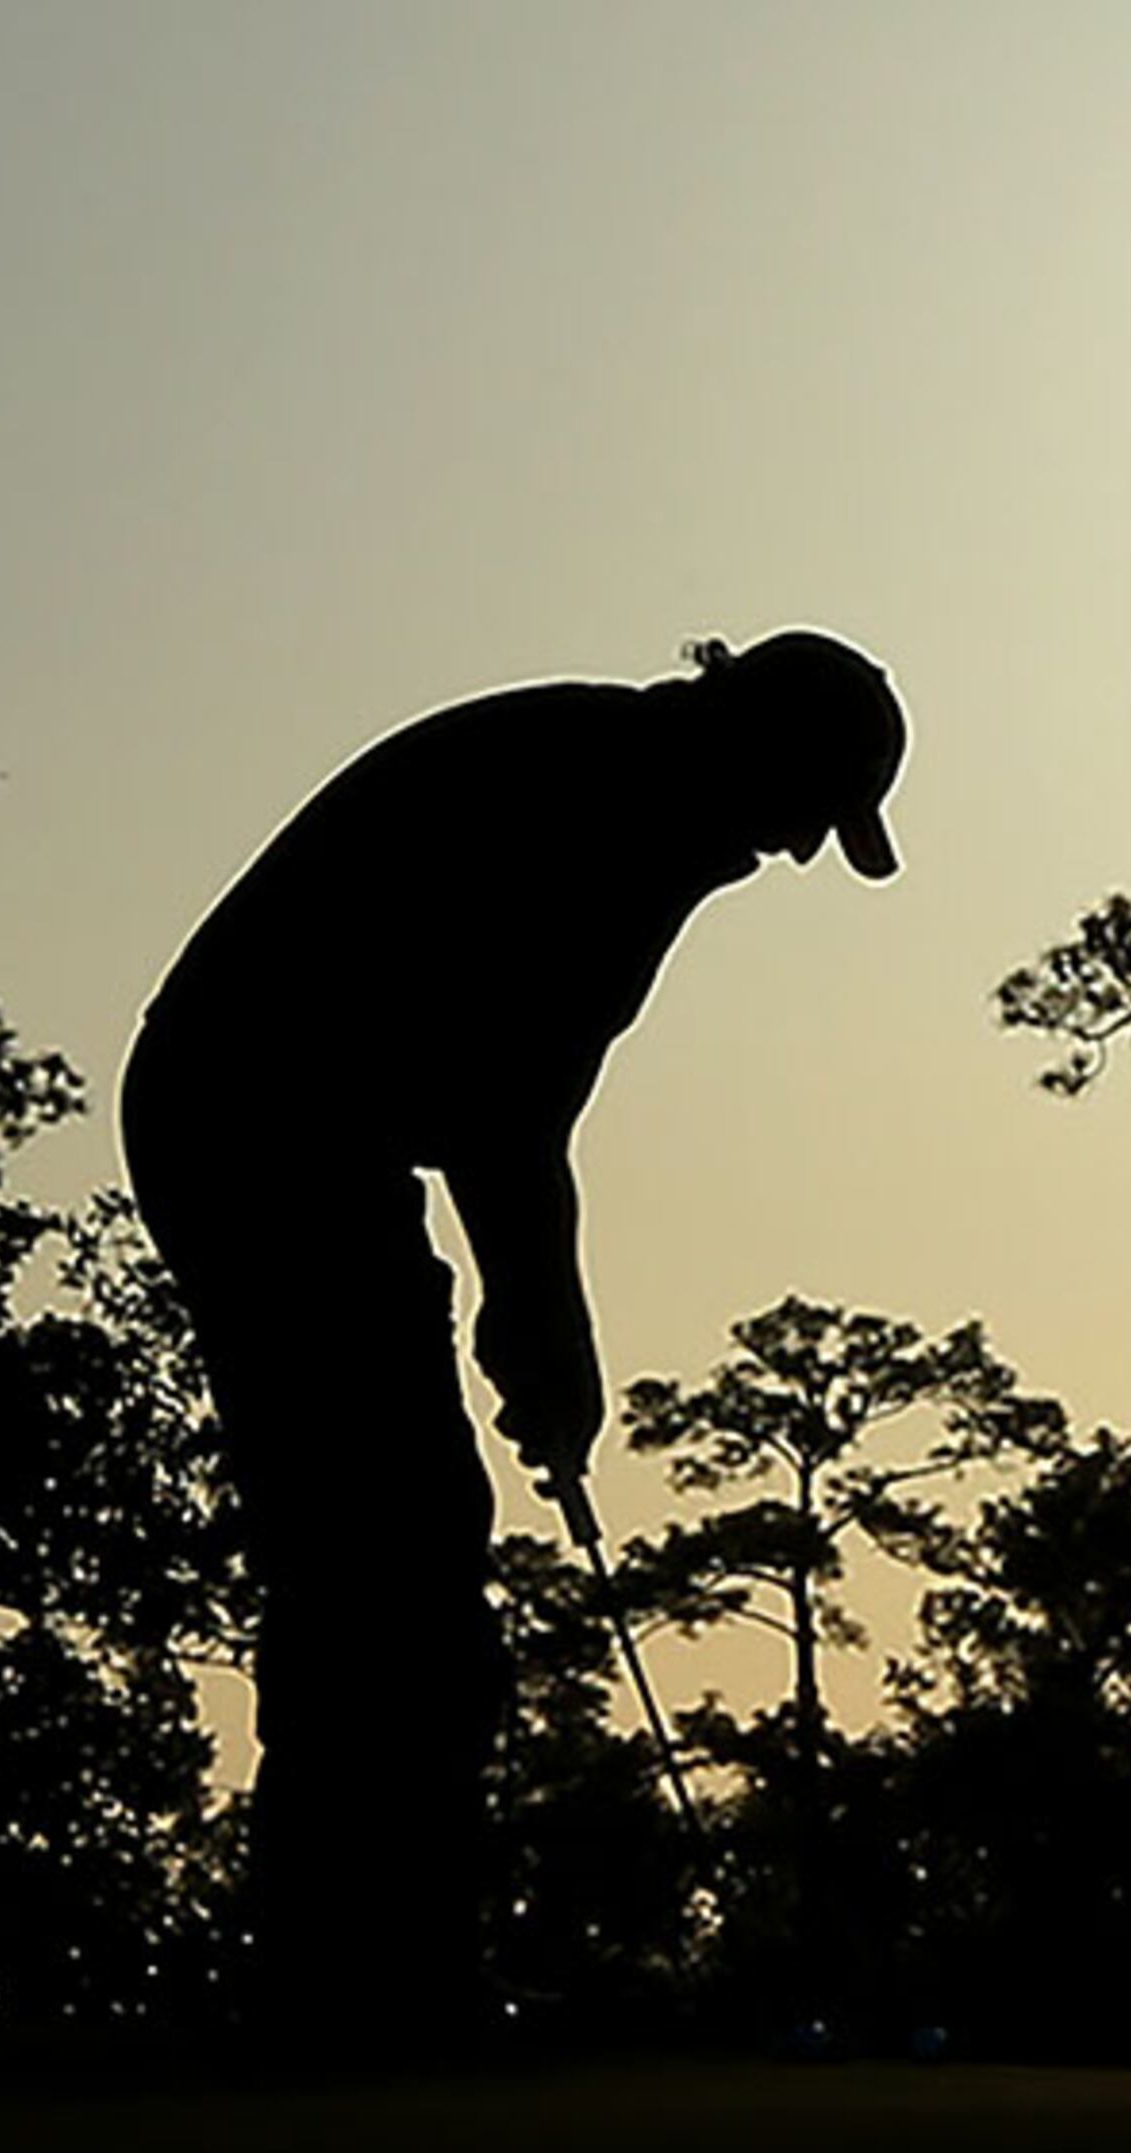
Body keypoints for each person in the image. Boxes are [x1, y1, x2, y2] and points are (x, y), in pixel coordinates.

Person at [120, 629, 905, 2049]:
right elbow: (502, 1106)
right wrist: (546, 1323)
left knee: (395, 1543)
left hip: (304, 1135)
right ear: (759, 748)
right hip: (250, 1117)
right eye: (810, 813)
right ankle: (351, 1979)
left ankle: (368, 1966)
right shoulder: (620, 803)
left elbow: (519, 1107)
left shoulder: (636, 783)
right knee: (388, 1545)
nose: (793, 854)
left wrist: (538, 1318)